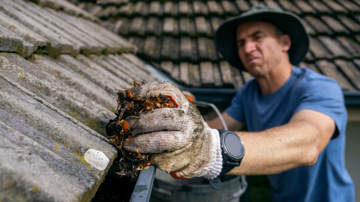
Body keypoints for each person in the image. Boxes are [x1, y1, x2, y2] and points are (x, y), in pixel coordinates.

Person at [123, 6, 354, 202]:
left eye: (257, 37)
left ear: (285, 42)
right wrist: (178, 115)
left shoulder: (321, 88)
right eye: (241, 42)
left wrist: (208, 151)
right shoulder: (249, 93)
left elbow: (308, 143)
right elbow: (214, 128)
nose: (247, 48)